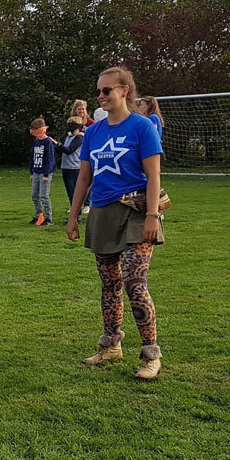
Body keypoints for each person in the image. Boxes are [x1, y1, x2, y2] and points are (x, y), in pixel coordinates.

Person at [66, 66, 165, 381]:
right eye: (99, 91)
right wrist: (73, 215)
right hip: (103, 212)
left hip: (136, 212)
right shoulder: (94, 131)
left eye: (107, 90)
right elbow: (84, 177)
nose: (101, 96)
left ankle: (151, 354)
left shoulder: (142, 127)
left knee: (135, 284)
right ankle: (111, 344)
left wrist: (151, 215)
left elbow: (154, 176)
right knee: (109, 284)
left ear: (125, 90)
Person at [28, 116, 57, 226]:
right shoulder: (36, 142)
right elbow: (32, 157)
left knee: (44, 196)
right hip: (36, 171)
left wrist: (46, 174)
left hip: (45, 172)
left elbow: (49, 159)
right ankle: (38, 215)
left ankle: (49, 218)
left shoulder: (47, 142)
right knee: (35, 195)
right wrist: (31, 172)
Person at [57, 117, 85, 205]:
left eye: (72, 124)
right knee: (70, 193)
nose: (69, 126)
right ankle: (73, 210)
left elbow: (69, 150)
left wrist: (58, 145)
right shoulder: (68, 137)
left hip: (74, 168)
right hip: (65, 167)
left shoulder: (79, 138)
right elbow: (62, 150)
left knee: (74, 193)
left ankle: (77, 214)